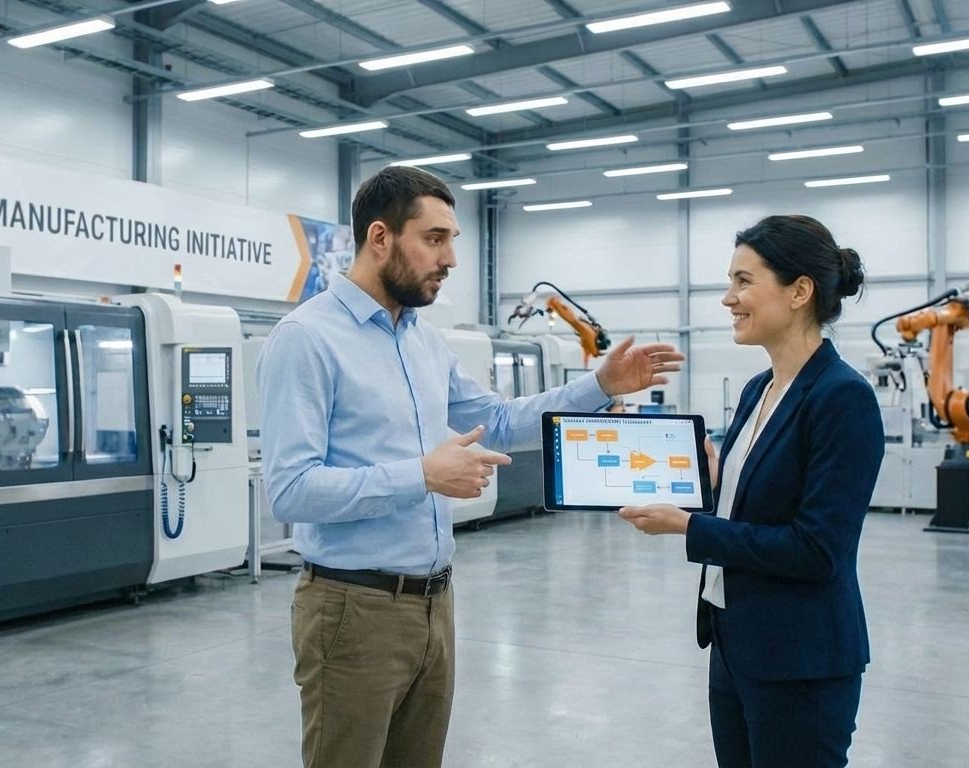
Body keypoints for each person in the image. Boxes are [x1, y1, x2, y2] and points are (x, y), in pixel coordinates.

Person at [258, 166, 685, 768]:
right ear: (379, 238)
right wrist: (422, 475)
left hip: (435, 602)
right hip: (351, 611)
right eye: (434, 239)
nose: (451, 258)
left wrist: (599, 385)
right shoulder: (306, 339)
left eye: (453, 239)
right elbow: (290, 491)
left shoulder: (423, 342)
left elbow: (500, 421)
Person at [618, 215, 884, 768]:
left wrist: (690, 526)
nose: (727, 299)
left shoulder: (842, 399)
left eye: (743, 281)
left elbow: (817, 551)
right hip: (735, 642)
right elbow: (755, 508)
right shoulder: (758, 390)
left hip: (800, 661)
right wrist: (713, 491)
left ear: (799, 292)